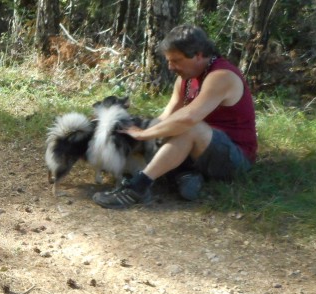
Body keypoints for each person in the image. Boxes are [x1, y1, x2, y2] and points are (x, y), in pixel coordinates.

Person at [93, 24, 257, 209]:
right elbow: (166, 117)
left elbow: (189, 118)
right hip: (200, 152)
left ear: (199, 55)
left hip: (234, 159)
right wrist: (140, 128)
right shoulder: (185, 79)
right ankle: (185, 175)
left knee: (188, 127)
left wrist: (144, 135)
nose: (170, 67)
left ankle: (137, 188)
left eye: (176, 60)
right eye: (169, 61)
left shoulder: (221, 76)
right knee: (157, 124)